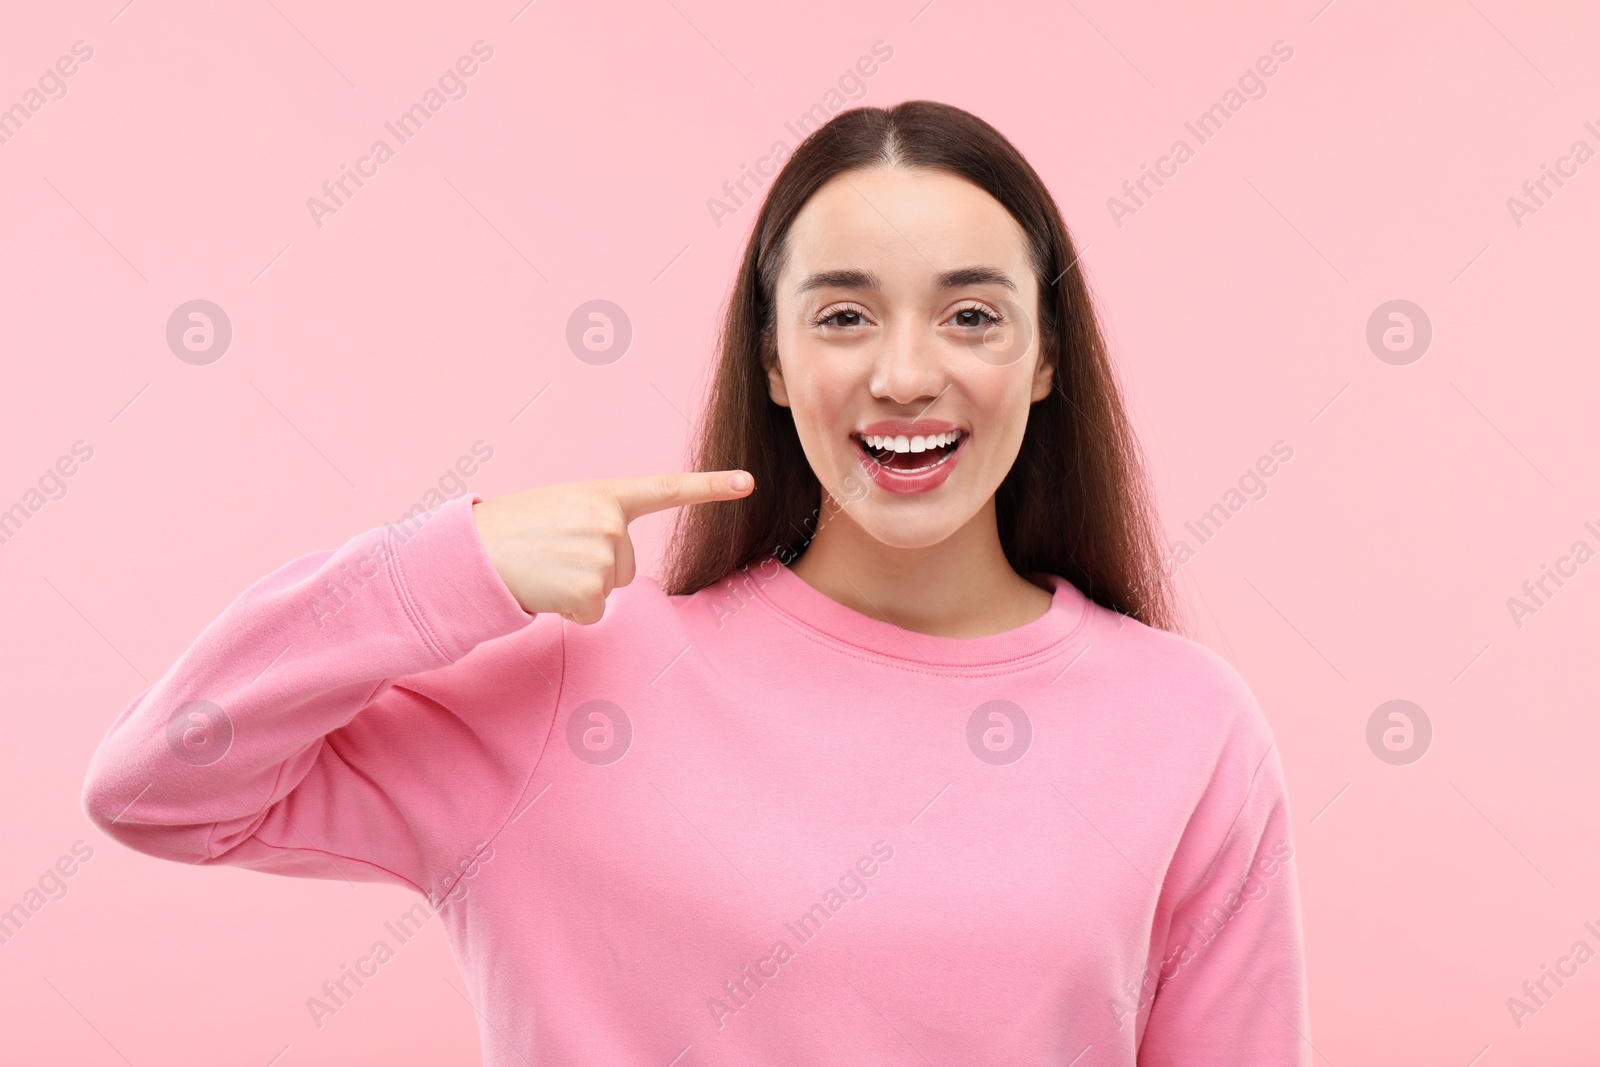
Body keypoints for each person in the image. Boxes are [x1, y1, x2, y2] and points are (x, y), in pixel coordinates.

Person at [81, 100, 1310, 1065]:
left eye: (971, 316)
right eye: (840, 317)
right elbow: (161, 789)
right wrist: (450, 560)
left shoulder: (1186, 725)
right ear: (771, 362)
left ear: (1044, 360)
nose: (903, 373)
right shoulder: (572, 681)